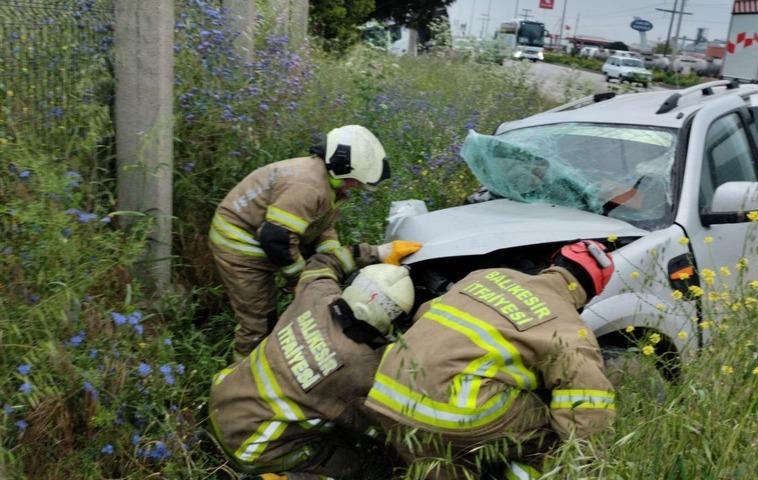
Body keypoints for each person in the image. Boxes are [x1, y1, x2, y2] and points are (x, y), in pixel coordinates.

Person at [365, 240, 617, 479]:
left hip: (388, 388)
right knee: (555, 429)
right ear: (592, 293)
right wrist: (592, 465)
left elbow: (424, 314)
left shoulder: (486, 276)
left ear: (552, 262)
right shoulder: (571, 330)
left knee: (443, 465)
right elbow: (587, 415)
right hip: (451, 412)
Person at [209, 124, 420, 357]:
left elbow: (321, 227)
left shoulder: (330, 184)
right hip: (238, 242)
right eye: (355, 181)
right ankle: (241, 370)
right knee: (259, 321)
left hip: (264, 234)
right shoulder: (309, 186)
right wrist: (300, 279)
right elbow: (276, 240)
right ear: (341, 167)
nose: (357, 186)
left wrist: (334, 261)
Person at [209, 249, 416, 479]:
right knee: (357, 464)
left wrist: (377, 251)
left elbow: (322, 261)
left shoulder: (316, 294)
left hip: (219, 401)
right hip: (251, 446)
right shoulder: (363, 369)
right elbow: (378, 428)